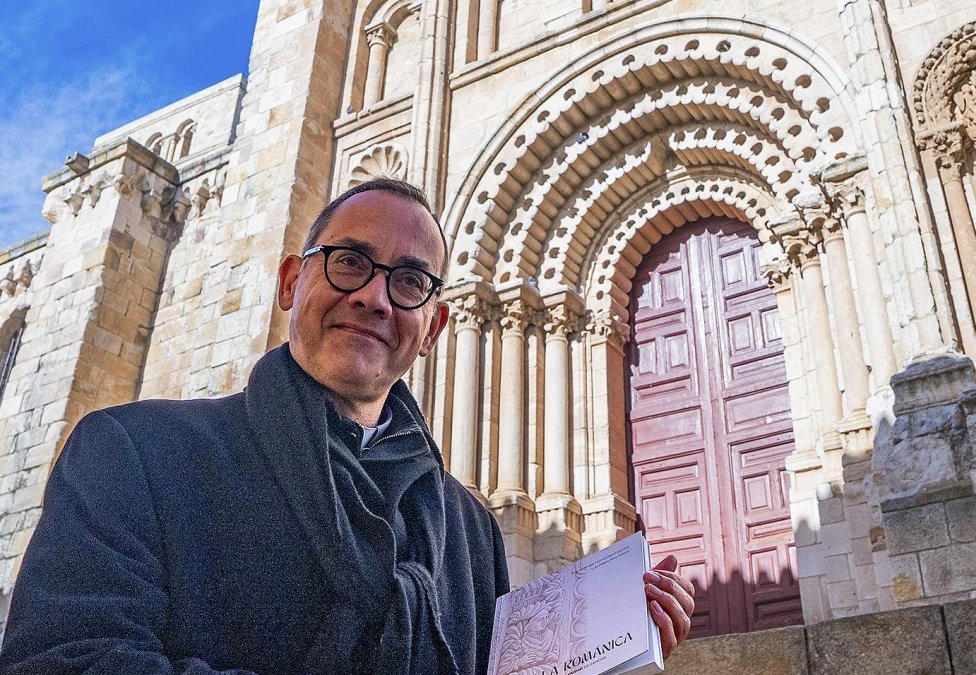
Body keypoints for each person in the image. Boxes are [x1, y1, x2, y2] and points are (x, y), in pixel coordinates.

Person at [0, 178, 695, 674]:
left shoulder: (471, 529)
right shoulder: (133, 452)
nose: (373, 296)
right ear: (288, 284)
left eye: (410, 281)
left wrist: (600, 630)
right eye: (350, 261)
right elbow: (68, 655)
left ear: (433, 329)